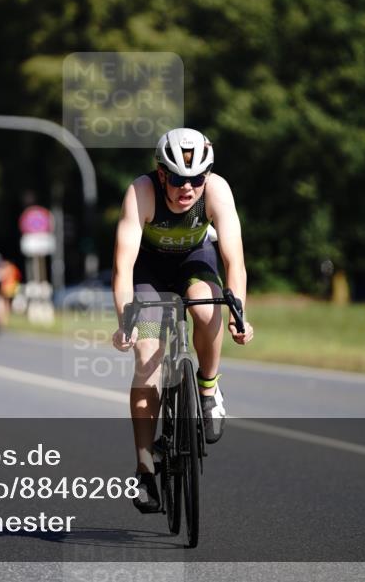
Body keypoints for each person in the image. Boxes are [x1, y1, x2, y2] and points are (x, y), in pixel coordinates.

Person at [111, 127, 254, 513]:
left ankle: (208, 390)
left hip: (196, 259)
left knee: (207, 307)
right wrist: (126, 319)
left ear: (207, 176)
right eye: (177, 179)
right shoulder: (140, 192)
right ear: (162, 175)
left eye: (195, 179)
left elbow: (233, 260)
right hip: (149, 271)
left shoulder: (217, 190)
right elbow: (123, 267)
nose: (186, 188)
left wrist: (239, 311)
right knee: (147, 360)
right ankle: (144, 467)